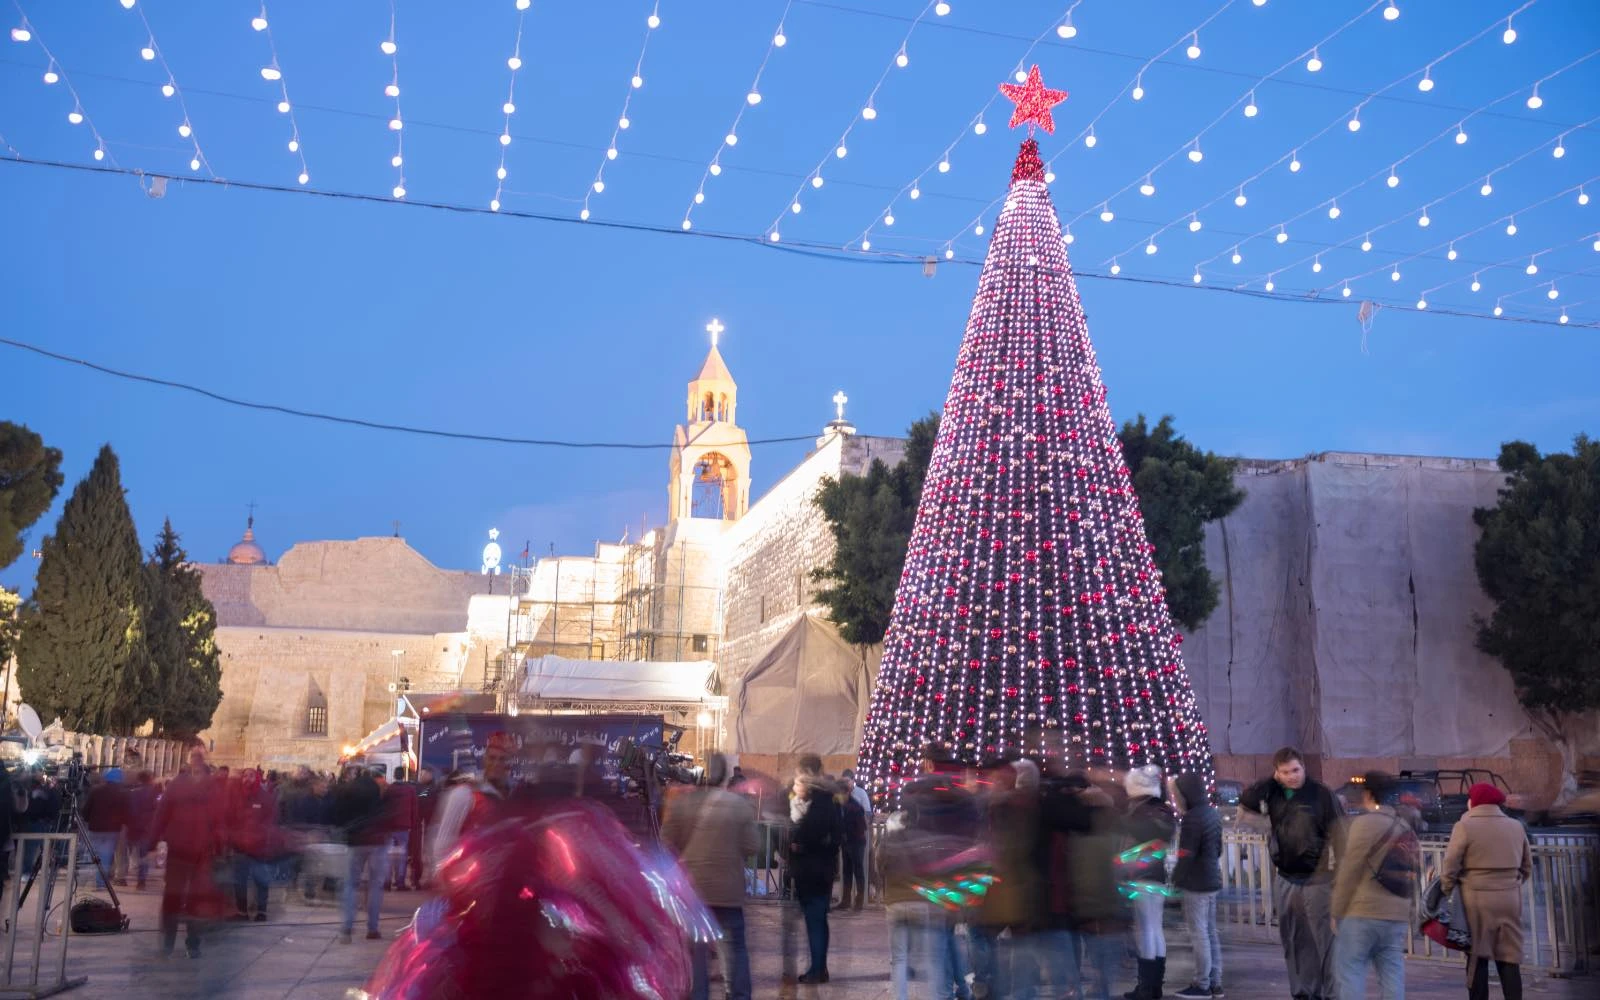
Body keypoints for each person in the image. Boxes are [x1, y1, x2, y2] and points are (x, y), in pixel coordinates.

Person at [1240, 747, 1344, 1000]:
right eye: (1284, 772)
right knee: (1295, 940)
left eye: (1295, 770)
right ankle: (1303, 992)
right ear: (1277, 773)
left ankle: (1332, 994)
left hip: (1319, 878)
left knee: (1327, 943)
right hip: (1286, 876)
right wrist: (1271, 781)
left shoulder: (1321, 794)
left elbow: (1341, 834)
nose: (1291, 776)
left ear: (1304, 768)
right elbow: (1247, 799)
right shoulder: (1275, 792)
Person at [661, 753, 760, 1000]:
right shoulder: (739, 805)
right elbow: (753, 846)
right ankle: (737, 995)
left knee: (696, 950)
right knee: (734, 947)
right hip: (728, 890)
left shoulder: (684, 803)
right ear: (726, 774)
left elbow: (666, 841)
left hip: (694, 891)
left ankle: (698, 995)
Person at [1332, 771, 1419, 1000]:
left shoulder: (1363, 824)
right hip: (1396, 913)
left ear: (1368, 794)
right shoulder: (1404, 826)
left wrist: (1337, 910)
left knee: (1350, 969)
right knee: (1392, 972)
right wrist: (1411, 910)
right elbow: (1413, 872)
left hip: (1364, 911)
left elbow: (1349, 870)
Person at [1441, 783, 1531, 1000]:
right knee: (1509, 956)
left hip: (1476, 897)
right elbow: (1526, 866)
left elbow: (1450, 864)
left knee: (1477, 957)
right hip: (1510, 897)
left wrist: (1447, 889)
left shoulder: (1464, 825)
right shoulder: (1515, 826)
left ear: (1474, 801)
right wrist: (1510, 882)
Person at [144, 747, 223, 959]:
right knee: (174, 897)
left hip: (201, 852)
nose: (196, 762)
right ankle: (169, 943)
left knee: (195, 899)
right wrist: (152, 843)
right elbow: (162, 815)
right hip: (180, 849)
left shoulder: (213, 786)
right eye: (194, 758)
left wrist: (220, 847)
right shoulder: (180, 785)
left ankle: (191, 943)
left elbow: (221, 819)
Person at [1122, 766, 1178, 1000]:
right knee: (1155, 930)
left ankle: (1146, 987)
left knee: (1144, 932)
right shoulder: (1164, 811)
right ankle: (1155, 986)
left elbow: (1129, 845)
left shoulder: (1137, 813)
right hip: (1159, 876)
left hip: (1140, 877)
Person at [787, 755, 842, 985]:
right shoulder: (828, 799)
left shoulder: (821, 802)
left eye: (799, 778)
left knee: (816, 921)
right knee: (818, 920)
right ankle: (820, 967)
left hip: (814, 871)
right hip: (819, 870)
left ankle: (818, 969)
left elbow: (817, 834)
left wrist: (800, 844)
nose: (795, 784)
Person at [1172, 772, 1224, 1000]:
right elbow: (1219, 848)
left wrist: (1176, 878)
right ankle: (1215, 982)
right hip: (1211, 879)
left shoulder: (1192, 818)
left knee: (1199, 933)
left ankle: (1201, 984)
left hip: (1197, 883)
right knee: (1210, 933)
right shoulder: (1211, 813)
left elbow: (1186, 854)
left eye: (1176, 795)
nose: (1175, 799)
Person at [430, 732, 512, 871]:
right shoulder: (465, 794)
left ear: (508, 764)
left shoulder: (513, 795)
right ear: (484, 759)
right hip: (471, 881)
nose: (496, 764)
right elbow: (442, 843)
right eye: (492, 758)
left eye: (502, 759)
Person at [330, 766, 387, 942]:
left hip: (355, 841)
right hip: (376, 841)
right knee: (375, 885)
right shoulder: (379, 789)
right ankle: (373, 928)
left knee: (351, 884)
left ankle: (347, 928)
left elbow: (338, 814)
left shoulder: (348, 789)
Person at [228, 767, 284, 921]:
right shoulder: (237, 797)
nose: (247, 778)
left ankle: (261, 911)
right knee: (239, 881)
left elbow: (271, 819)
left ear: (257, 778)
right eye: (245, 775)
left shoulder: (264, 797)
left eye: (251, 775)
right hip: (240, 846)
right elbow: (231, 818)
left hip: (258, 847)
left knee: (261, 879)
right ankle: (242, 912)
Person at [82, 767, 129, 890]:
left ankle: (83, 879)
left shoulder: (95, 791)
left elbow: (87, 809)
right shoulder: (123, 793)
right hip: (112, 830)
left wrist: (87, 820)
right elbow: (126, 812)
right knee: (106, 856)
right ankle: (100, 883)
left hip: (95, 827)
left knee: (92, 853)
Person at [381, 767, 419, 891]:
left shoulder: (389, 790)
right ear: (403, 776)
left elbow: (384, 808)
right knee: (402, 856)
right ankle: (400, 882)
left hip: (389, 826)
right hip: (404, 826)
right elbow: (414, 809)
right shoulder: (410, 790)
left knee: (388, 855)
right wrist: (413, 825)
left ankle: (387, 882)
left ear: (394, 775)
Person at [838, 771, 870, 911]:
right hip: (847, 842)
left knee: (858, 870)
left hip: (856, 842)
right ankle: (845, 900)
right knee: (846, 871)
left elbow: (862, 826)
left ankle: (858, 901)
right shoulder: (842, 805)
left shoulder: (855, 806)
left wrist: (849, 833)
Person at [123, 770, 159, 889]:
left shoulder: (133, 793)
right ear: (150, 779)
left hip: (133, 827)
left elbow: (130, 810)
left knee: (129, 852)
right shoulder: (155, 793)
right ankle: (141, 880)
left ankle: (122, 875)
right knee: (143, 855)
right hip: (147, 828)